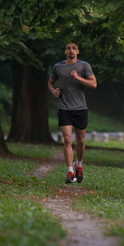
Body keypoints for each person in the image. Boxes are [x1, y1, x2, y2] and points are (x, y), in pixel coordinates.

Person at [48, 42, 97, 184]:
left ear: (78, 51)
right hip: (64, 108)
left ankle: (79, 166)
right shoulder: (58, 67)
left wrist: (78, 78)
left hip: (80, 108)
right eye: (68, 48)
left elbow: (93, 84)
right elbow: (50, 83)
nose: (71, 50)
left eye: (74, 48)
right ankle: (70, 171)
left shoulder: (84, 66)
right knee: (68, 140)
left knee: (81, 141)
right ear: (65, 51)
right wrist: (53, 91)